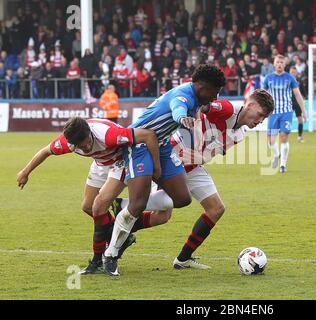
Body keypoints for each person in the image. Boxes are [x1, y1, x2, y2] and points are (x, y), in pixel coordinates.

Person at [111, 90, 274, 270]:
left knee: (216, 209)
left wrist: (198, 157)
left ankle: (182, 259)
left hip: (193, 166)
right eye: (260, 115)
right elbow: (201, 106)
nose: (260, 120)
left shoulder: (239, 135)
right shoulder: (227, 109)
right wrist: (194, 131)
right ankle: (125, 213)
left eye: (264, 118)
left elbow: (210, 154)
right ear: (250, 105)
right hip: (173, 156)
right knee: (163, 215)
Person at [102, 64, 225, 276]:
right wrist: (182, 118)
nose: (215, 97)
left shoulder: (197, 96)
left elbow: (197, 109)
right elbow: (178, 108)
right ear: (203, 86)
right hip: (138, 144)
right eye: (215, 92)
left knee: (182, 199)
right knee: (139, 204)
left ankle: (122, 205)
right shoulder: (183, 95)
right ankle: (110, 254)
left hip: (162, 144)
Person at [16, 117, 161, 274]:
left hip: (120, 161)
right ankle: (119, 234)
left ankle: (97, 261)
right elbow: (45, 151)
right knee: (87, 207)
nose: (85, 147)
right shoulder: (68, 142)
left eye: (87, 142)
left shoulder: (107, 134)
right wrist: (25, 172)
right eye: (80, 145)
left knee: (98, 207)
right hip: (100, 163)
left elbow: (147, 135)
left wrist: (156, 167)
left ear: (90, 133)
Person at [262, 55, 306, 173]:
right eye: (277, 62)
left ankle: (282, 165)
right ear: (274, 63)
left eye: (282, 62)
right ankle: (276, 155)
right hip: (273, 112)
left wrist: (303, 111)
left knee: (284, 137)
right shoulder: (268, 78)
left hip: (286, 112)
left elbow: (297, 95)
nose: (279, 64)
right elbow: (263, 95)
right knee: (271, 141)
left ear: (284, 64)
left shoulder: (290, 78)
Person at [289, 66, 305, 142]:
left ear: (296, 73)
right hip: (289, 102)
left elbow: (303, 91)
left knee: (300, 119)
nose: (293, 74)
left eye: (294, 72)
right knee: (286, 119)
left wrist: (304, 97)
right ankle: (285, 135)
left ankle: (300, 136)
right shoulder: (286, 81)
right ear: (289, 72)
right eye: (292, 72)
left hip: (298, 102)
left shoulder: (299, 81)